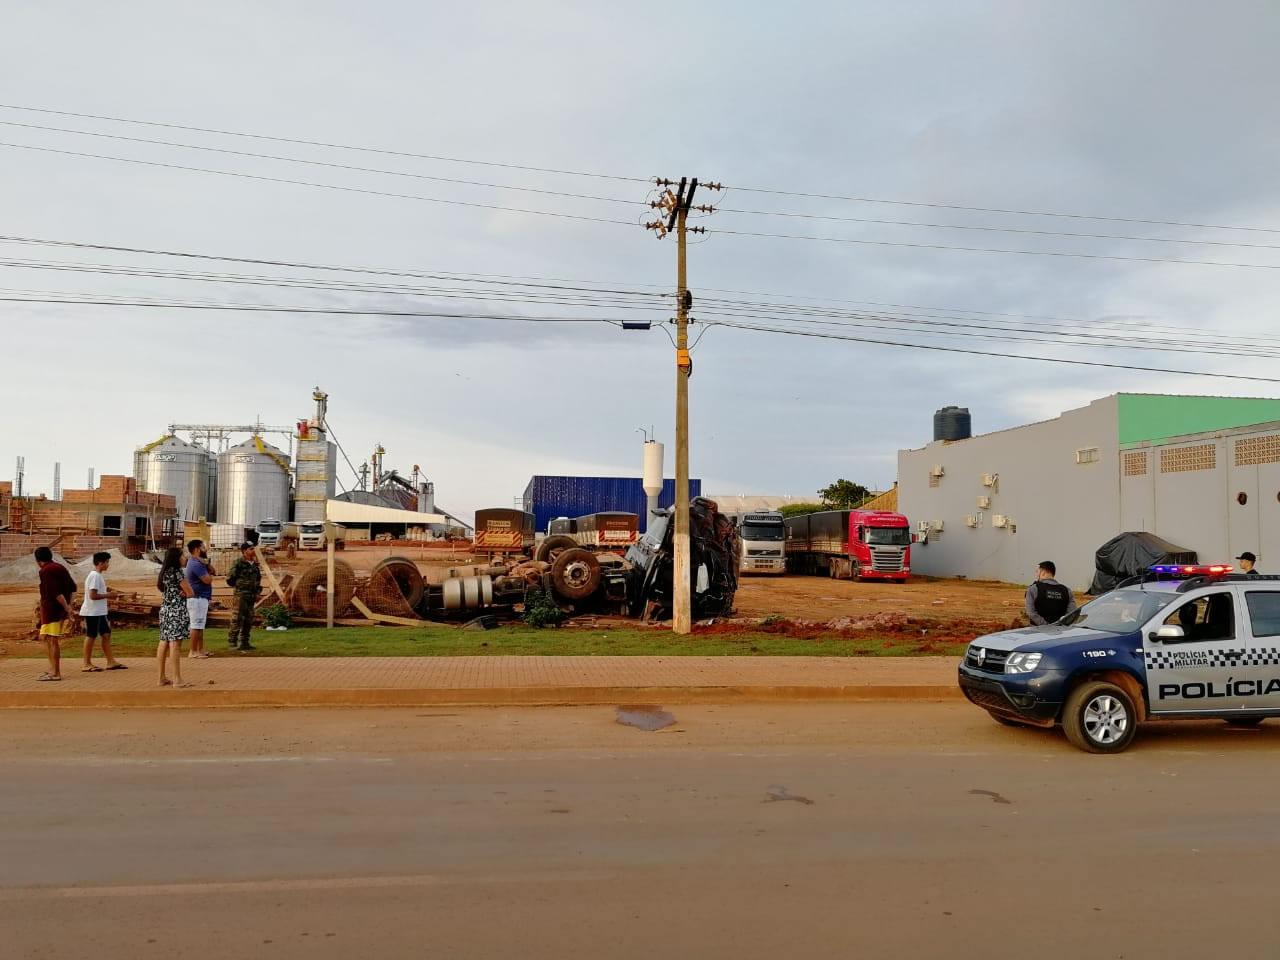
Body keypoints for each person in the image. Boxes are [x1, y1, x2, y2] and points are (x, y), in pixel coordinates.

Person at [34, 546, 76, 681]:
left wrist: (67, 608)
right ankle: (52, 669)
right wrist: (69, 605)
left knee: (52, 640)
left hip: (52, 610)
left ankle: (55, 673)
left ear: (37, 560)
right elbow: (73, 587)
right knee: (47, 638)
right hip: (55, 610)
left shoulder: (45, 571)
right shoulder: (59, 567)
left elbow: (55, 593)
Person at [80, 551, 125, 672]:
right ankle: (86, 663)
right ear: (100, 563)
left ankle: (111, 661)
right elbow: (92, 595)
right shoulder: (94, 576)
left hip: (99, 611)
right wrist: (108, 595)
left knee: (106, 634)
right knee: (91, 635)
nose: (108, 564)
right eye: (107, 562)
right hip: (92, 612)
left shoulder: (98, 575)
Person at [156, 546, 193, 687]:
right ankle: (177, 679)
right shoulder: (177, 573)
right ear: (176, 558)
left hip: (165, 609)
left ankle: (161, 677)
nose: (185, 558)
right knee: (175, 644)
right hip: (177, 611)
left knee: (164, 642)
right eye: (182, 556)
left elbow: (163, 588)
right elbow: (190, 592)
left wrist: (180, 591)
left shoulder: (164, 572)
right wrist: (184, 592)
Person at [226, 542, 263, 652]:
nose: (253, 551)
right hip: (241, 595)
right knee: (237, 618)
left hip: (251, 595)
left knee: (249, 619)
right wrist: (240, 587)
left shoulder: (255, 564)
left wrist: (257, 592)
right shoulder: (238, 563)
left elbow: (258, 579)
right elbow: (230, 578)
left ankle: (245, 642)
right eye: (251, 549)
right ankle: (232, 642)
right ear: (245, 551)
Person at [185, 539, 215, 659]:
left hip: (202, 597)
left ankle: (200, 649)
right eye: (203, 547)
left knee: (200, 626)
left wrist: (207, 564)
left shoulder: (200, 563)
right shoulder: (195, 564)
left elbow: (213, 571)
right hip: (197, 598)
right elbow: (207, 579)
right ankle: (192, 651)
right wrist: (209, 575)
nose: (205, 549)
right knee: (195, 625)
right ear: (197, 549)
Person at [1025, 560, 1079, 626]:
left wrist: (1046, 626)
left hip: (1037, 632)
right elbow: (1072, 613)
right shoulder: (1067, 591)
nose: (1036, 575)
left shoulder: (1033, 589)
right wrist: (1058, 626)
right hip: (1060, 632)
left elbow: (1031, 613)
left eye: (1037, 572)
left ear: (1043, 572)